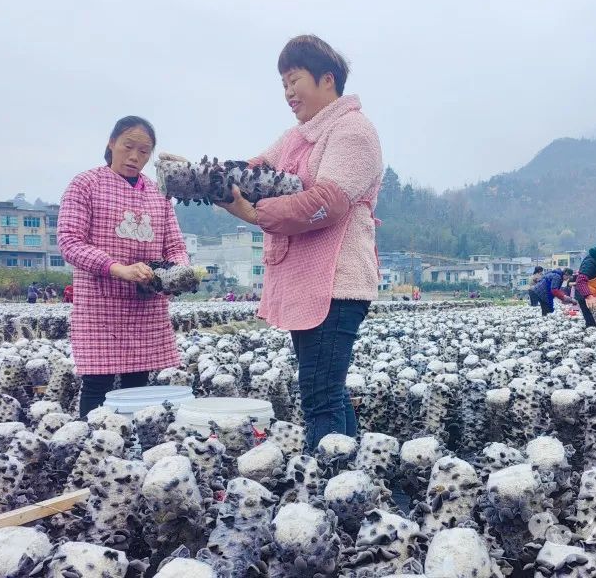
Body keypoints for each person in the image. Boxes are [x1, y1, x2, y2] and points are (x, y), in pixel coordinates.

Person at [203, 35, 382, 451]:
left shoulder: (353, 130)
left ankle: (326, 488)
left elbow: (329, 202)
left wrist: (253, 213)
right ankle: (348, 477)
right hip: (309, 284)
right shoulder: (298, 136)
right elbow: (255, 168)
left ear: (326, 79)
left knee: (319, 398)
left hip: (335, 284)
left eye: (294, 80)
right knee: (328, 391)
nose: (287, 92)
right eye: (283, 83)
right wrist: (205, 176)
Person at [58, 116, 189, 418]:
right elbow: (69, 241)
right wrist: (119, 269)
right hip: (100, 304)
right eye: (128, 146)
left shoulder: (159, 194)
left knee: (139, 385)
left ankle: (134, 446)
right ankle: (93, 445)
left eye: (144, 151)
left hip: (145, 306)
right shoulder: (85, 184)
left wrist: (182, 271)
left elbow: (176, 247)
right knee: (98, 383)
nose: (135, 156)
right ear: (111, 143)